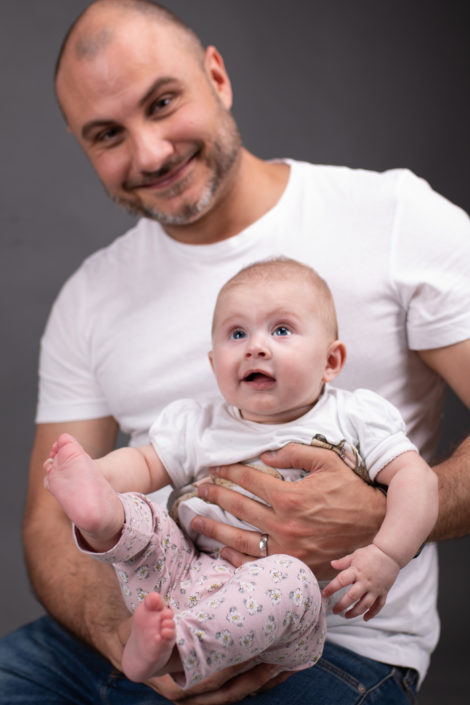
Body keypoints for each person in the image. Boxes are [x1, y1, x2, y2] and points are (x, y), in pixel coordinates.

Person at [1, 0, 469, 703]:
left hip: (330, 643)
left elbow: (405, 485)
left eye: (163, 102)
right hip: (142, 619)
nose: (151, 153)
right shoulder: (91, 297)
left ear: (216, 76)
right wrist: (116, 626)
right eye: (107, 135)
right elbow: (50, 515)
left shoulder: (394, 217)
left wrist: (384, 521)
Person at [43, 258, 438, 689]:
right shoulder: (201, 423)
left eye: (281, 330)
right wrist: (95, 474)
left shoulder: (353, 418)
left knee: (289, 579)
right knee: (143, 513)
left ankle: (172, 650)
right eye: (237, 334)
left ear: (331, 361)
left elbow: (415, 480)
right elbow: (143, 464)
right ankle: (104, 522)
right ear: (214, 365)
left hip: (278, 617)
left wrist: (387, 554)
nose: (256, 346)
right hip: (184, 575)